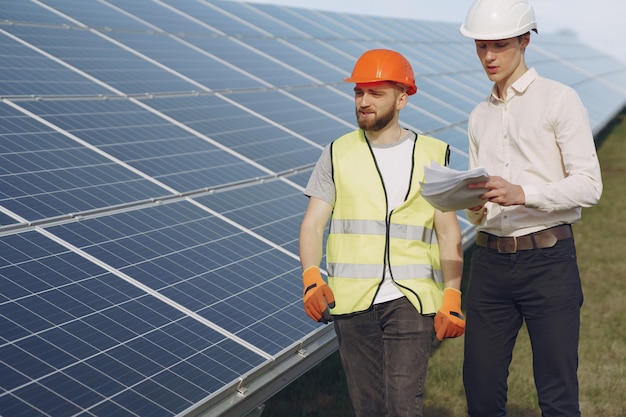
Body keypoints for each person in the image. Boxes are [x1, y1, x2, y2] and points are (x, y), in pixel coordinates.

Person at [298, 48, 465, 417]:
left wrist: (452, 294)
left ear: (402, 98)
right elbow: (312, 223)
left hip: (412, 299)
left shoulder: (433, 155)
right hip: (353, 302)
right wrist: (311, 276)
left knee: (405, 407)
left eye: (376, 93)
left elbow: (448, 232)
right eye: (359, 92)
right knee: (368, 408)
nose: (363, 101)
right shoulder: (337, 153)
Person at [459, 1, 603, 416]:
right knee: (481, 391)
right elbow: (478, 201)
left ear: (524, 41)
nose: (488, 56)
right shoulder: (478, 116)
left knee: (557, 396)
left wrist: (524, 193)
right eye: (481, 46)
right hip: (488, 263)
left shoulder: (560, 100)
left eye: (499, 45)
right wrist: (471, 203)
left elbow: (590, 185)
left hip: (549, 261)